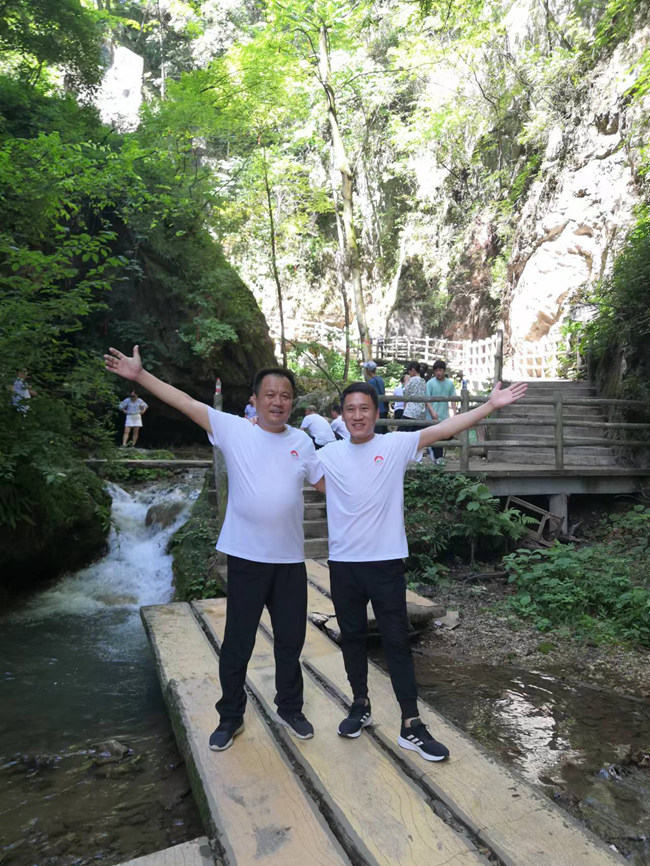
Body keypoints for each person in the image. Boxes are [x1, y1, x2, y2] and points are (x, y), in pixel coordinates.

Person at [105, 345, 323, 751]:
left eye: (285, 396)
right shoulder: (234, 430)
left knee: (290, 640)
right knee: (238, 642)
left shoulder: (303, 442)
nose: (278, 401)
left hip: (290, 561)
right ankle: (230, 716)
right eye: (270, 395)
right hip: (246, 558)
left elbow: (326, 483)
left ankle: (290, 708)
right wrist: (140, 376)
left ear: (293, 402)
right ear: (254, 400)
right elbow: (185, 403)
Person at [315, 378, 527, 762]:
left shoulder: (394, 445)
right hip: (344, 565)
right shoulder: (329, 454)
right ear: (341, 415)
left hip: (385, 564)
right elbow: (304, 473)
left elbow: (444, 428)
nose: (358, 415)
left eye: (364, 408)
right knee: (352, 638)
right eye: (350, 409)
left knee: (396, 641)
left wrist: (489, 405)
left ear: (376, 413)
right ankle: (359, 704)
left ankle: (410, 723)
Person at [425, 360, 457, 466]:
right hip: (432, 415)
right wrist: (432, 411)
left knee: (446, 436)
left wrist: (454, 413)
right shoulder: (430, 383)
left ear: (444, 370)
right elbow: (427, 399)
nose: (438, 372)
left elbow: (453, 399)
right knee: (436, 437)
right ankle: (438, 458)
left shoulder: (449, 384)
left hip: (444, 415)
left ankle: (434, 453)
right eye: (436, 371)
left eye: (440, 370)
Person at [361, 360, 388, 433]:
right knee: (383, 430)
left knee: (377, 431)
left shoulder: (371, 382)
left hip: (377, 409)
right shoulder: (380, 379)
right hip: (383, 408)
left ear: (368, 370)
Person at [402, 361, 427, 431]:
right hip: (421, 412)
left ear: (413, 370)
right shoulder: (423, 381)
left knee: (401, 432)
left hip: (410, 412)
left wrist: (406, 381)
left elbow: (405, 393)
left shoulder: (412, 380)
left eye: (409, 371)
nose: (409, 373)